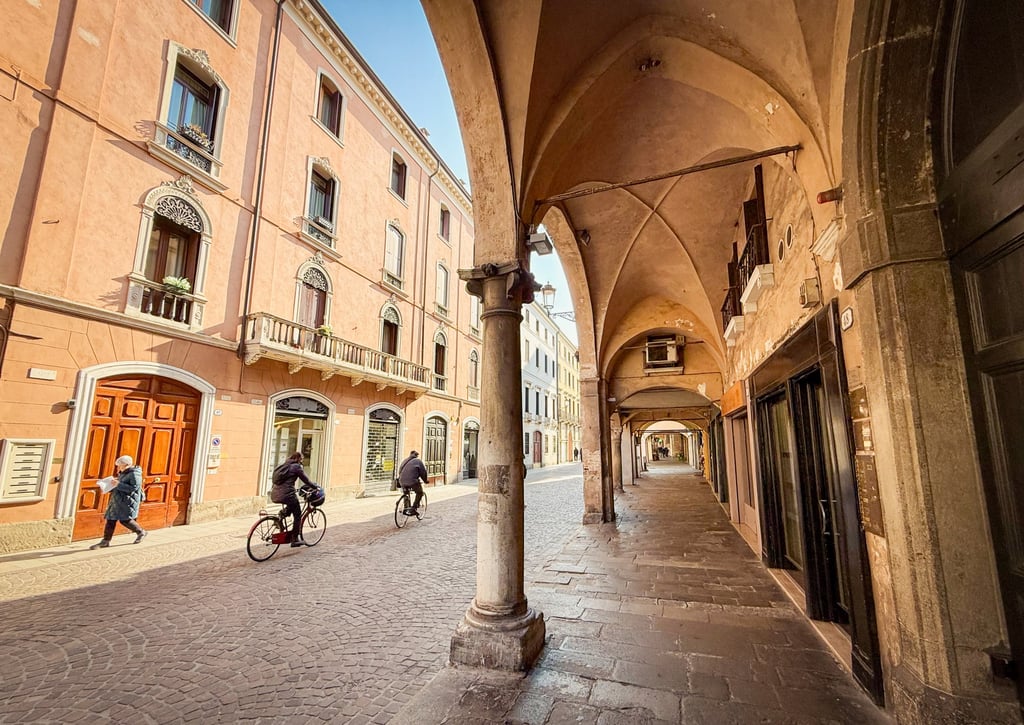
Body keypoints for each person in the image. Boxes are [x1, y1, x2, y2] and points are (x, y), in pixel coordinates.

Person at [89, 455, 146, 549]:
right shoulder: (123, 472)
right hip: (117, 500)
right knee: (111, 520)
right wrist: (110, 486)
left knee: (125, 520)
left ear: (127, 464)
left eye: (120, 465)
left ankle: (141, 532)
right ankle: (105, 541)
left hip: (127, 501)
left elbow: (134, 488)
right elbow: (121, 485)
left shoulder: (134, 474)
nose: (118, 467)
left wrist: (119, 484)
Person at [271, 451, 314, 546]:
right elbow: (306, 480)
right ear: (298, 459)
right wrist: (315, 486)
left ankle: (280, 518)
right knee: (297, 514)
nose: (302, 461)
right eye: (301, 459)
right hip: (287, 494)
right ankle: (295, 539)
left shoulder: (283, 465)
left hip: (275, 494)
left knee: (291, 505)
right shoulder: (296, 467)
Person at [396, 449, 427, 515]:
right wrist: (425, 480)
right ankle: (413, 508)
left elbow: (400, 471)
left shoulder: (404, 461)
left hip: (401, 481)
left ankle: (406, 508)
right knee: (420, 492)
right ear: (416, 456)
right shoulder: (418, 461)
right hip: (412, 481)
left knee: (406, 493)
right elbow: (423, 472)